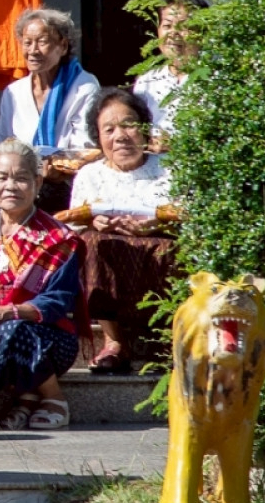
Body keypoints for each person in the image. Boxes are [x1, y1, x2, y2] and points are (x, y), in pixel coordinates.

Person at [0, 141, 85, 425]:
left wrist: (6, 313)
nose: (11, 186)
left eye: (21, 178)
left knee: (16, 329)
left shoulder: (60, 239)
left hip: (48, 336)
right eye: (3, 178)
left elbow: (58, 301)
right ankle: (26, 398)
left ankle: (54, 398)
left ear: (38, 182)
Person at [68, 90, 182, 375]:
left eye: (128, 124)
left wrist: (158, 224)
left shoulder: (169, 169)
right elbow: (72, 224)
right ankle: (114, 340)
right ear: (98, 137)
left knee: (171, 248)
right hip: (114, 254)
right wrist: (95, 223)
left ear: (145, 129)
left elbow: (188, 217)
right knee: (90, 242)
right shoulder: (90, 175)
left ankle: (164, 340)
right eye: (109, 129)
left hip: (157, 249)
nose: (120, 136)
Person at [0, 7, 100, 154]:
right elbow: (4, 144)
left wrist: (51, 166)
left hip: (69, 174)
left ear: (63, 46)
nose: (33, 50)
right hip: (23, 174)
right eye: (27, 43)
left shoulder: (84, 86)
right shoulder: (13, 92)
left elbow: (85, 146)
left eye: (42, 42)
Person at [133, 0, 196, 132]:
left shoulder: (216, 80)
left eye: (183, 27)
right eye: (167, 26)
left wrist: (172, 143)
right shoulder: (146, 81)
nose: (174, 33)